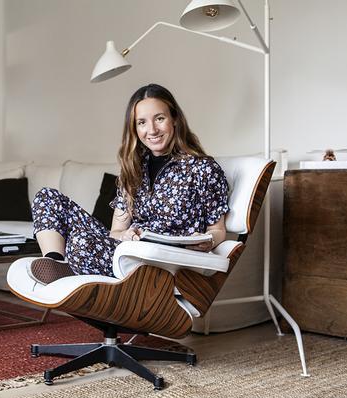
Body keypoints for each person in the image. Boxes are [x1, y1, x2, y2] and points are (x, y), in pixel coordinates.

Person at [28, 83, 230, 285]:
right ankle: (56, 262)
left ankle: (73, 267)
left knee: (80, 243)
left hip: (163, 259)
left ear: (174, 119)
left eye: (159, 118)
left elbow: (218, 229)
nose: (151, 130)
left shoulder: (203, 168)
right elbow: (116, 231)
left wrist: (207, 240)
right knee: (47, 197)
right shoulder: (133, 168)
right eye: (141, 122)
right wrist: (126, 235)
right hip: (128, 250)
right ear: (134, 128)